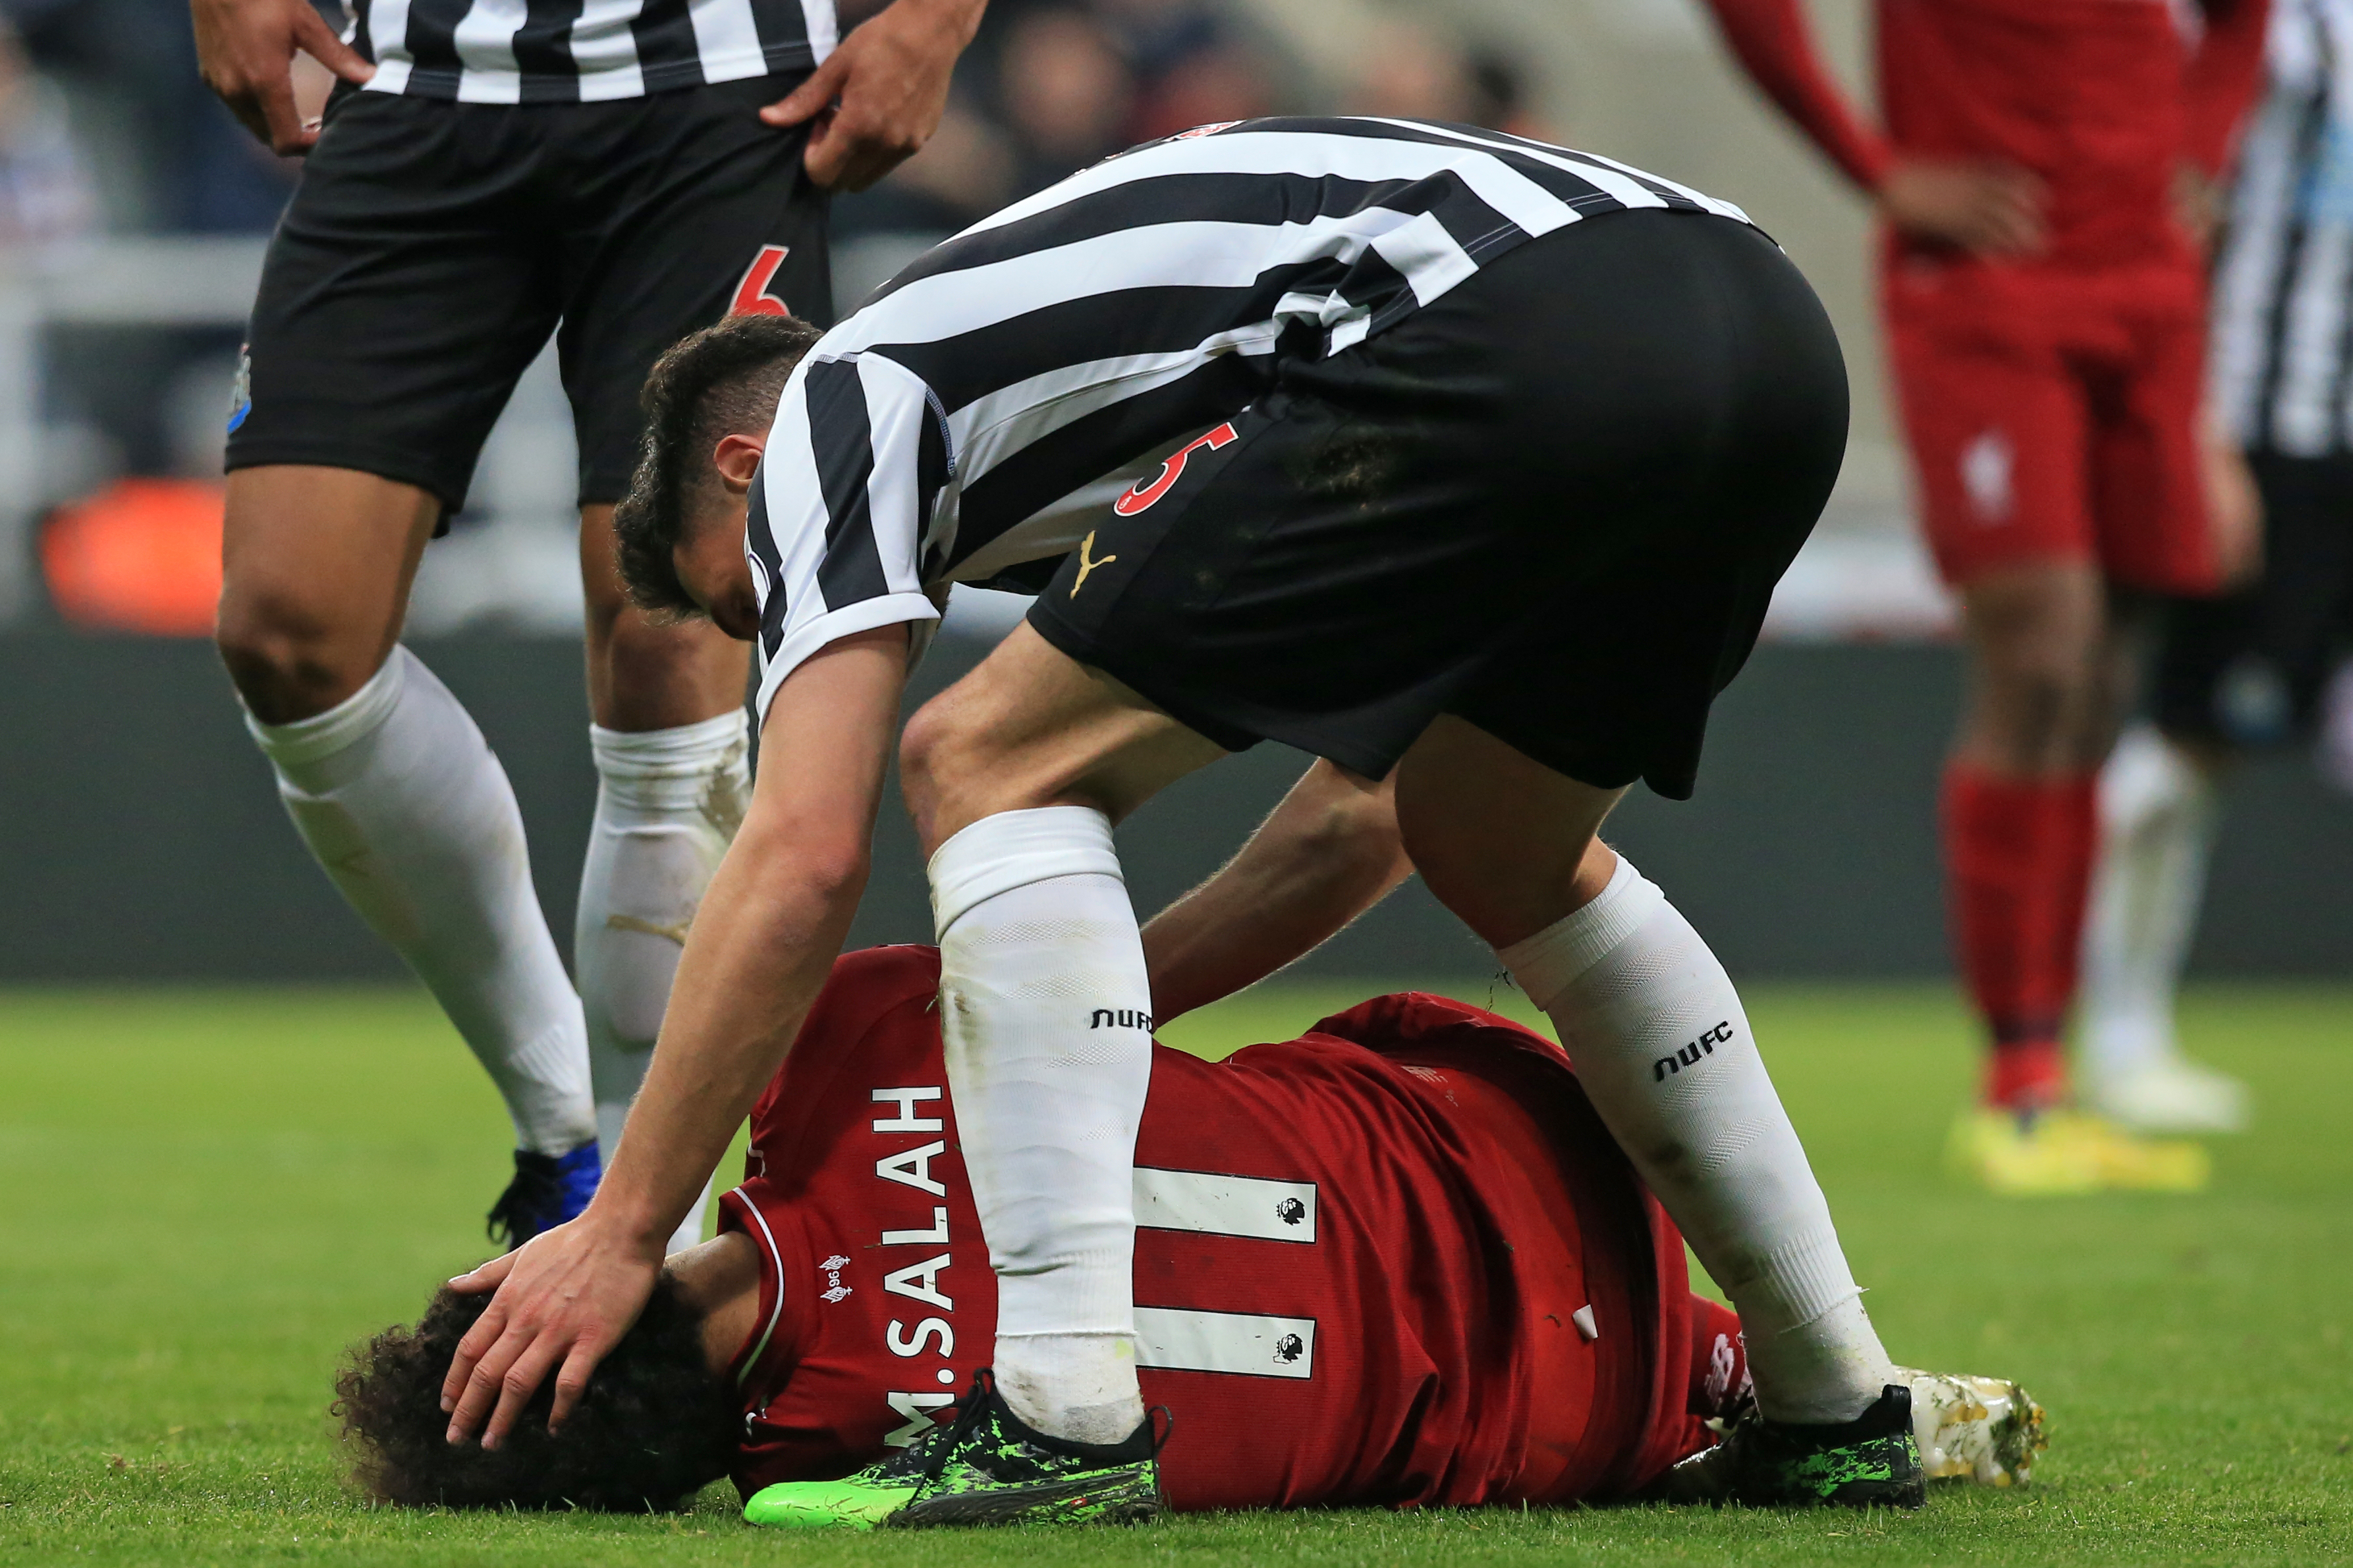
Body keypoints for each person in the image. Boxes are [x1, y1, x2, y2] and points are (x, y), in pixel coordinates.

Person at [443, 115, 1916, 1522]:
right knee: (1497, 841)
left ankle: (1063, 1411)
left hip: (1519, 320)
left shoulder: (847, 393)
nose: (785, 637)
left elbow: (807, 848)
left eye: (751, 603)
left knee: (976, 756)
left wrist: (625, 1228)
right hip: (1763, 331)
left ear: (742, 476)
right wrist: (1061, 1035)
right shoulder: (1102, 416)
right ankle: (1833, 1401)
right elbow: (1365, 815)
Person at [192, 0, 985, 1245]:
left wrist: (936, 20)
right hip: (416, 74)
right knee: (289, 625)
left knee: (676, 628)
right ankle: (560, 1115)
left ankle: (637, 1232)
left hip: (722, 93)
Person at [339, 945, 2047, 1517]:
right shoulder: (830, 1051)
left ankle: (1722, 1374)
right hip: (1531, 1128)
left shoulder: (834, 1454)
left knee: (1368, 1378)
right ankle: (1801, 1351)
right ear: (522, 1279)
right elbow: (1105, 961)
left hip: (1562, 1423)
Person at [1694, 0, 2271, 1193]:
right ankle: (2014, 1087)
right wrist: (1880, 170)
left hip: (2149, 289)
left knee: (2105, 678)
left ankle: (2054, 1079)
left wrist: (2204, 147)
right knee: (2045, 661)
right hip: (1991, 292)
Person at [2083, 0, 2353, 1135]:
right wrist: (2195, 425)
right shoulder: (2281, 27)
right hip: (2266, 425)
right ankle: (2107, 1030)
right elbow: (2188, 204)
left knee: (2210, 748)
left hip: (2329, 439)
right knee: (2192, 741)